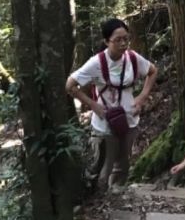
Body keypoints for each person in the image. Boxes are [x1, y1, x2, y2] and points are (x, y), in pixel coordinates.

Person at [66, 18, 157, 191]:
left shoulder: (132, 57)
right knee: (105, 164)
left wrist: (142, 97)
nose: (123, 43)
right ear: (107, 41)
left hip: (129, 117)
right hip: (105, 121)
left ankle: (117, 195)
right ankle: (98, 198)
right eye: (118, 40)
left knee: (123, 162)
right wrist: (93, 105)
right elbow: (70, 85)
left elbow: (152, 71)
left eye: (126, 39)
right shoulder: (97, 63)